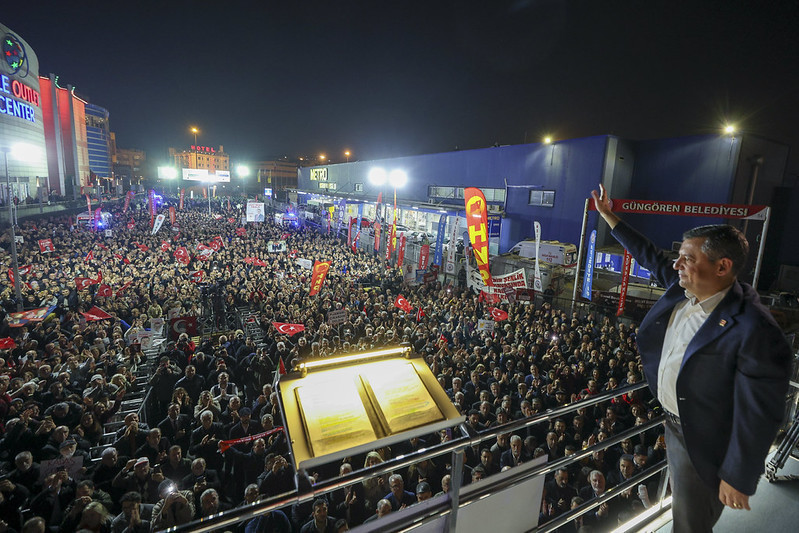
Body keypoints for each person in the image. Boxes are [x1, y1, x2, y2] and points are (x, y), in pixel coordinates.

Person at [591, 184, 792, 530]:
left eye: (688, 258)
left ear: (722, 266)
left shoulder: (754, 329)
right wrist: (609, 215)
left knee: (689, 523)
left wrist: (738, 475)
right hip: (673, 424)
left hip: (703, 438)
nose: (677, 263)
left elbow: (762, 410)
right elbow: (649, 254)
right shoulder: (683, 287)